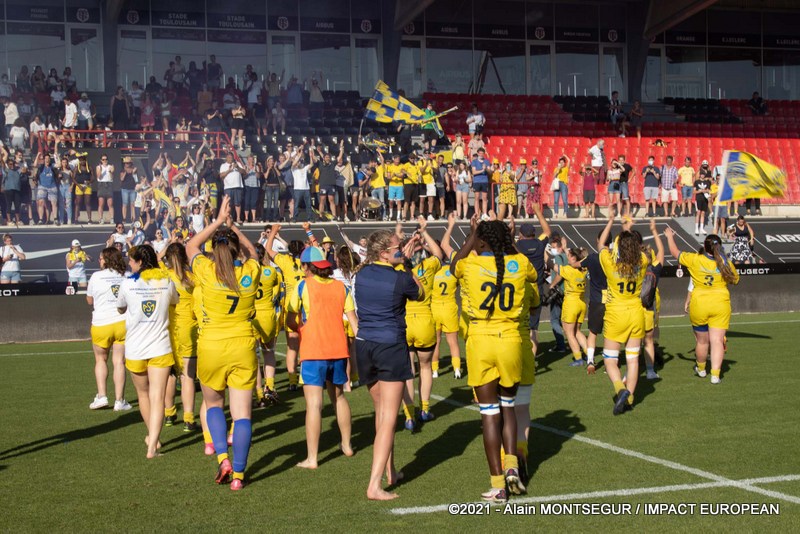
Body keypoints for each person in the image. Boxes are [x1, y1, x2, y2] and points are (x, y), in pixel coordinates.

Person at [452, 217, 537, 502]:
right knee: (509, 408)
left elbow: (455, 266)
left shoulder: (472, 264)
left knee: (489, 414)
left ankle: (498, 484)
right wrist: (508, 241)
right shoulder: (520, 264)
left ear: (482, 242)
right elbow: (533, 274)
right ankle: (512, 464)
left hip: (481, 340)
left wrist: (471, 237)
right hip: (511, 339)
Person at [186, 196, 260, 490]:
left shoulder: (205, 270)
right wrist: (234, 228)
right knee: (242, 415)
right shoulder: (250, 273)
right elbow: (253, 252)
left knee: (214, 405)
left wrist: (217, 221)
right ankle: (239, 476)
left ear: (214, 251)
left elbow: (190, 246)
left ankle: (222, 458)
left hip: (211, 346)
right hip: (242, 346)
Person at [354, 229, 422, 500]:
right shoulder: (400, 277)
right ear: (384, 253)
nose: (401, 249)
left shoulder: (361, 273)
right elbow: (420, 292)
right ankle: (374, 485)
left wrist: (400, 259)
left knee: (381, 413)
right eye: (397, 247)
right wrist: (407, 263)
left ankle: (390, 471)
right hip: (389, 346)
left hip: (365, 345)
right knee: (388, 419)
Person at [287, 246, 357, 469]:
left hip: (313, 351)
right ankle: (347, 445)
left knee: (314, 405)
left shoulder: (302, 286)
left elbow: (290, 319)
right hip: (338, 350)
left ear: (307, 267)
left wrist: (299, 328)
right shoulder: (341, 287)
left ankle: (312, 458)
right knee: (339, 398)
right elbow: (355, 325)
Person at [116, 245, 177, 458]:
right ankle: (152, 443)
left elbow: (120, 307)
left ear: (140, 262)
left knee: (144, 394)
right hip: (160, 345)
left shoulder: (128, 284)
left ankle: (153, 439)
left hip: (136, 348)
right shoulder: (166, 281)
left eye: (131, 261)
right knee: (157, 396)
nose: (129, 264)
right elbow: (175, 301)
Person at [665, 228, 739, 384]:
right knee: (718, 341)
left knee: (702, 341)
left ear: (705, 247)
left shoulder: (695, 259)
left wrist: (669, 236)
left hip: (700, 304)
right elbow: (735, 280)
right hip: (720, 304)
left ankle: (701, 369)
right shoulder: (726, 263)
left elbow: (674, 252)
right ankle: (715, 375)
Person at [596, 215, 649, 415]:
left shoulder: (610, 264)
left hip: (616, 313)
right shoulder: (642, 262)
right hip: (636, 312)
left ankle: (620, 389)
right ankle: (631, 397)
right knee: (633, 360)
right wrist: (628, 229)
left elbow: (602, 244)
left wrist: (612, 221)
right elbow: (638, 249)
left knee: (610, 359)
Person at [400, 217, 443, 430]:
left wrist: (409, 242)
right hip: (425, 321)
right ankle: (424, 408)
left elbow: (398, 254)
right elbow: (439, 254)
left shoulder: (399, 269)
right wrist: (424, 233)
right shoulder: (429, 266)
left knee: (407, 370)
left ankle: (409, 415)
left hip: (404, 322)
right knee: (425, 367)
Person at [86, 247, 130, 411]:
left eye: (101, 258)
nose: (99, 260)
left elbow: (89, 301)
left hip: (101, 323)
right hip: (122, 323)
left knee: (100, 360)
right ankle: (120, 400)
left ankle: (102, 396)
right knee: (119, 361)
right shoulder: (124, 276)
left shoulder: (96, 276)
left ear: (107, 259)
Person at [161, 243, 199, 432]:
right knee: (188, 376)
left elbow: (157, 257)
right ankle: (189, 418)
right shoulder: (192, 278)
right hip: (188, 328)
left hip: (168, 328)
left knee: (170, 374)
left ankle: (169, 413)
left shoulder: (163, 275)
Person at [266, 225, 305, 390]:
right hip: (306, 307)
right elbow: (317, 249)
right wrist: (308, 231)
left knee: (292, 346)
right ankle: (304, 377)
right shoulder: (306, 262)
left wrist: (274, 232)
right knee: (306, 345)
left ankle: (292, 381)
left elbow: (268, 249)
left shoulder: (285, 261)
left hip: (290, 307)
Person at [432, 214, 462, 379]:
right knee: (453, 342)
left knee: (436, 342)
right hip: (450, 307)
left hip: (435, 308)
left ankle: (435, 370)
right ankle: (457, 369)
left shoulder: (431, 270)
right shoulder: (452, 269)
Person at [251, 243, 281, 407]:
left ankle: (259, 393)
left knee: (254, 358)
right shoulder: (271, 272)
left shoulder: (247, 271)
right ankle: (270, 386)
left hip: (252, 316)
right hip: (268, 315)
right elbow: (277, 286)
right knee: (269, 352)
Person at [549, 247, 588, 366]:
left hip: (571, 303)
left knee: (569, 332)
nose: (567, 258)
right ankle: (588, 355)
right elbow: (584, 256)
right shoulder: (584, 269)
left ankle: (578, 358)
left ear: (574, 258)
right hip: (581, 302)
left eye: (569, 256)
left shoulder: (568, 270)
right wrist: (567, 250)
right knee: (577, 331)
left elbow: (551, 265)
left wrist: (543, 253)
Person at [642, 220, 665, 381]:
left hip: (634, 307)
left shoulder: (633, 268)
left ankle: (631, 369)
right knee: (649, 339)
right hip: (650, 305)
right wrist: (654, 230)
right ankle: (650, 370)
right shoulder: (654, 269)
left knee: (633, 342)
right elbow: (662, 251)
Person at [471, 148, 490, 219]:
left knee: (484, 198)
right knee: (477, 197)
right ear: (478, 153)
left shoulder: (487, 161)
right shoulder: (474, 162)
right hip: (477, 181)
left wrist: (487, 169)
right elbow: (474, 172)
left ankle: (484, 213)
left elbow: (489, 171)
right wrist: (482, 170)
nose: (481, 154)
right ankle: (476, 213)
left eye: (482, 153)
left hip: (485, 181)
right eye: (480, 153)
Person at [694, 165, 712, 235]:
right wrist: (701, 191)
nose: (702, 175)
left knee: (703, 213)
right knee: (698, 212)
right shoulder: (696, 182)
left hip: (705, 199)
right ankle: (696, 228)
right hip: (698, 198)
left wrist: (707, 191)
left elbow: (709, 190)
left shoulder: (707, 182)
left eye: (703, 174)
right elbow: (694, 191)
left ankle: (701, 228)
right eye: (701, 174)